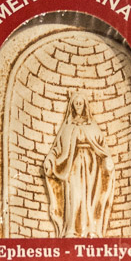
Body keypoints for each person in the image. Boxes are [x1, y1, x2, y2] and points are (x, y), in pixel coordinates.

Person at [43, 92, 115, 238]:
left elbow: (102, 146)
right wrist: (50, 159)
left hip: (91, 165)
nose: (78, 106)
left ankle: (90, 229)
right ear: (72, 106)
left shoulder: (92, 125)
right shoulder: (67, 126)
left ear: (85, 105)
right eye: (76, 103)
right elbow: (57, 148)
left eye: (80, 103)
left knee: (90, 195)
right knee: (74, 195)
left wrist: (108, 159)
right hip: (73, 164)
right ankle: (72, 229)